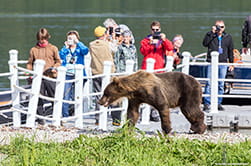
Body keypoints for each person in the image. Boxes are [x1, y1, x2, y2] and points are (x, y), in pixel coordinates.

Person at [26, 28, 61, 125]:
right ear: (38, 39)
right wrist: (28, 72)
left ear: (47, 38)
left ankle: (57, 118)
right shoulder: (33, 50)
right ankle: (40, 119)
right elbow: (30, 63)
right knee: (38, 98)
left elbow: (58, 61)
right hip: (38, 78)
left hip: (50, 76)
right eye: (41, 39)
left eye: (44, 38)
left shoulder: (53, 48)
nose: (43, 41)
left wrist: (55, 67)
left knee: (54, 97)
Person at [140, 21, 173, 122]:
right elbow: (143, 51)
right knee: (146, 92)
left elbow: (170, 48)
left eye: (157, 30)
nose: (155, 32)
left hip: (158, 69)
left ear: (160, 30)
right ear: (151, 30)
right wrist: (149, 43)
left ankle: (154, 113)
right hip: (147, 68)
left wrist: (164, 39)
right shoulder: (145, 40)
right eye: (153, 30)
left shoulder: (162, 41)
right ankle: (145, 112)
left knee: (157, 92)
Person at [202, 20, 234, 112]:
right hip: (211, 62)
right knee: (209, 83)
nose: (220, 29)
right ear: (214, 27)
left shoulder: (228, 37)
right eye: (218, 27)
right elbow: (205, 44)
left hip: (223, 63)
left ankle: (218, 103)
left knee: (220, 84)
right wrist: (212, 33)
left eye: (222, 27)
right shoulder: (210, 35)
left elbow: (230, 50)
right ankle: (207, 103)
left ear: (225, 28)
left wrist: (231, 63)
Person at [59, 30, 89, 118]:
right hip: (68, 74)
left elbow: (86, 51)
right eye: (69, 38)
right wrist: (65, 47)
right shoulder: (65, 49)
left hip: (79, 74)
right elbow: (60, 56)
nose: (71, 40)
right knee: (65, 95)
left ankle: (77, 115)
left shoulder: (80, 48)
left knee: (77, 95)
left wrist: (78, 42)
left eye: (73, 38)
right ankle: (65, 115)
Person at [89, 26, 115, 125]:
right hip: (108, 73)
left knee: (98, 95)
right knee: (111, 94)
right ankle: (114, 118)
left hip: (96, 72)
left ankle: (98, 118)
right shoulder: (107, 44)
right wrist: (112, 38)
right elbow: (115, 49)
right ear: (104, 34)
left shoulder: (91, 45)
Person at [111, 30, 138, 126]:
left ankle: (129, 118)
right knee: (119, 96)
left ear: (130, 37)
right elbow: (116, 60)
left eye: (128, 37)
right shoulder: (120, 48)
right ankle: (116, 118)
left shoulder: (133, 48)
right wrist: (117, 74)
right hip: (122, 73)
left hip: (131, 74)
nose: (126, 39)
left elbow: (135, 60)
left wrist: (135, 72)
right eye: (124, 37)